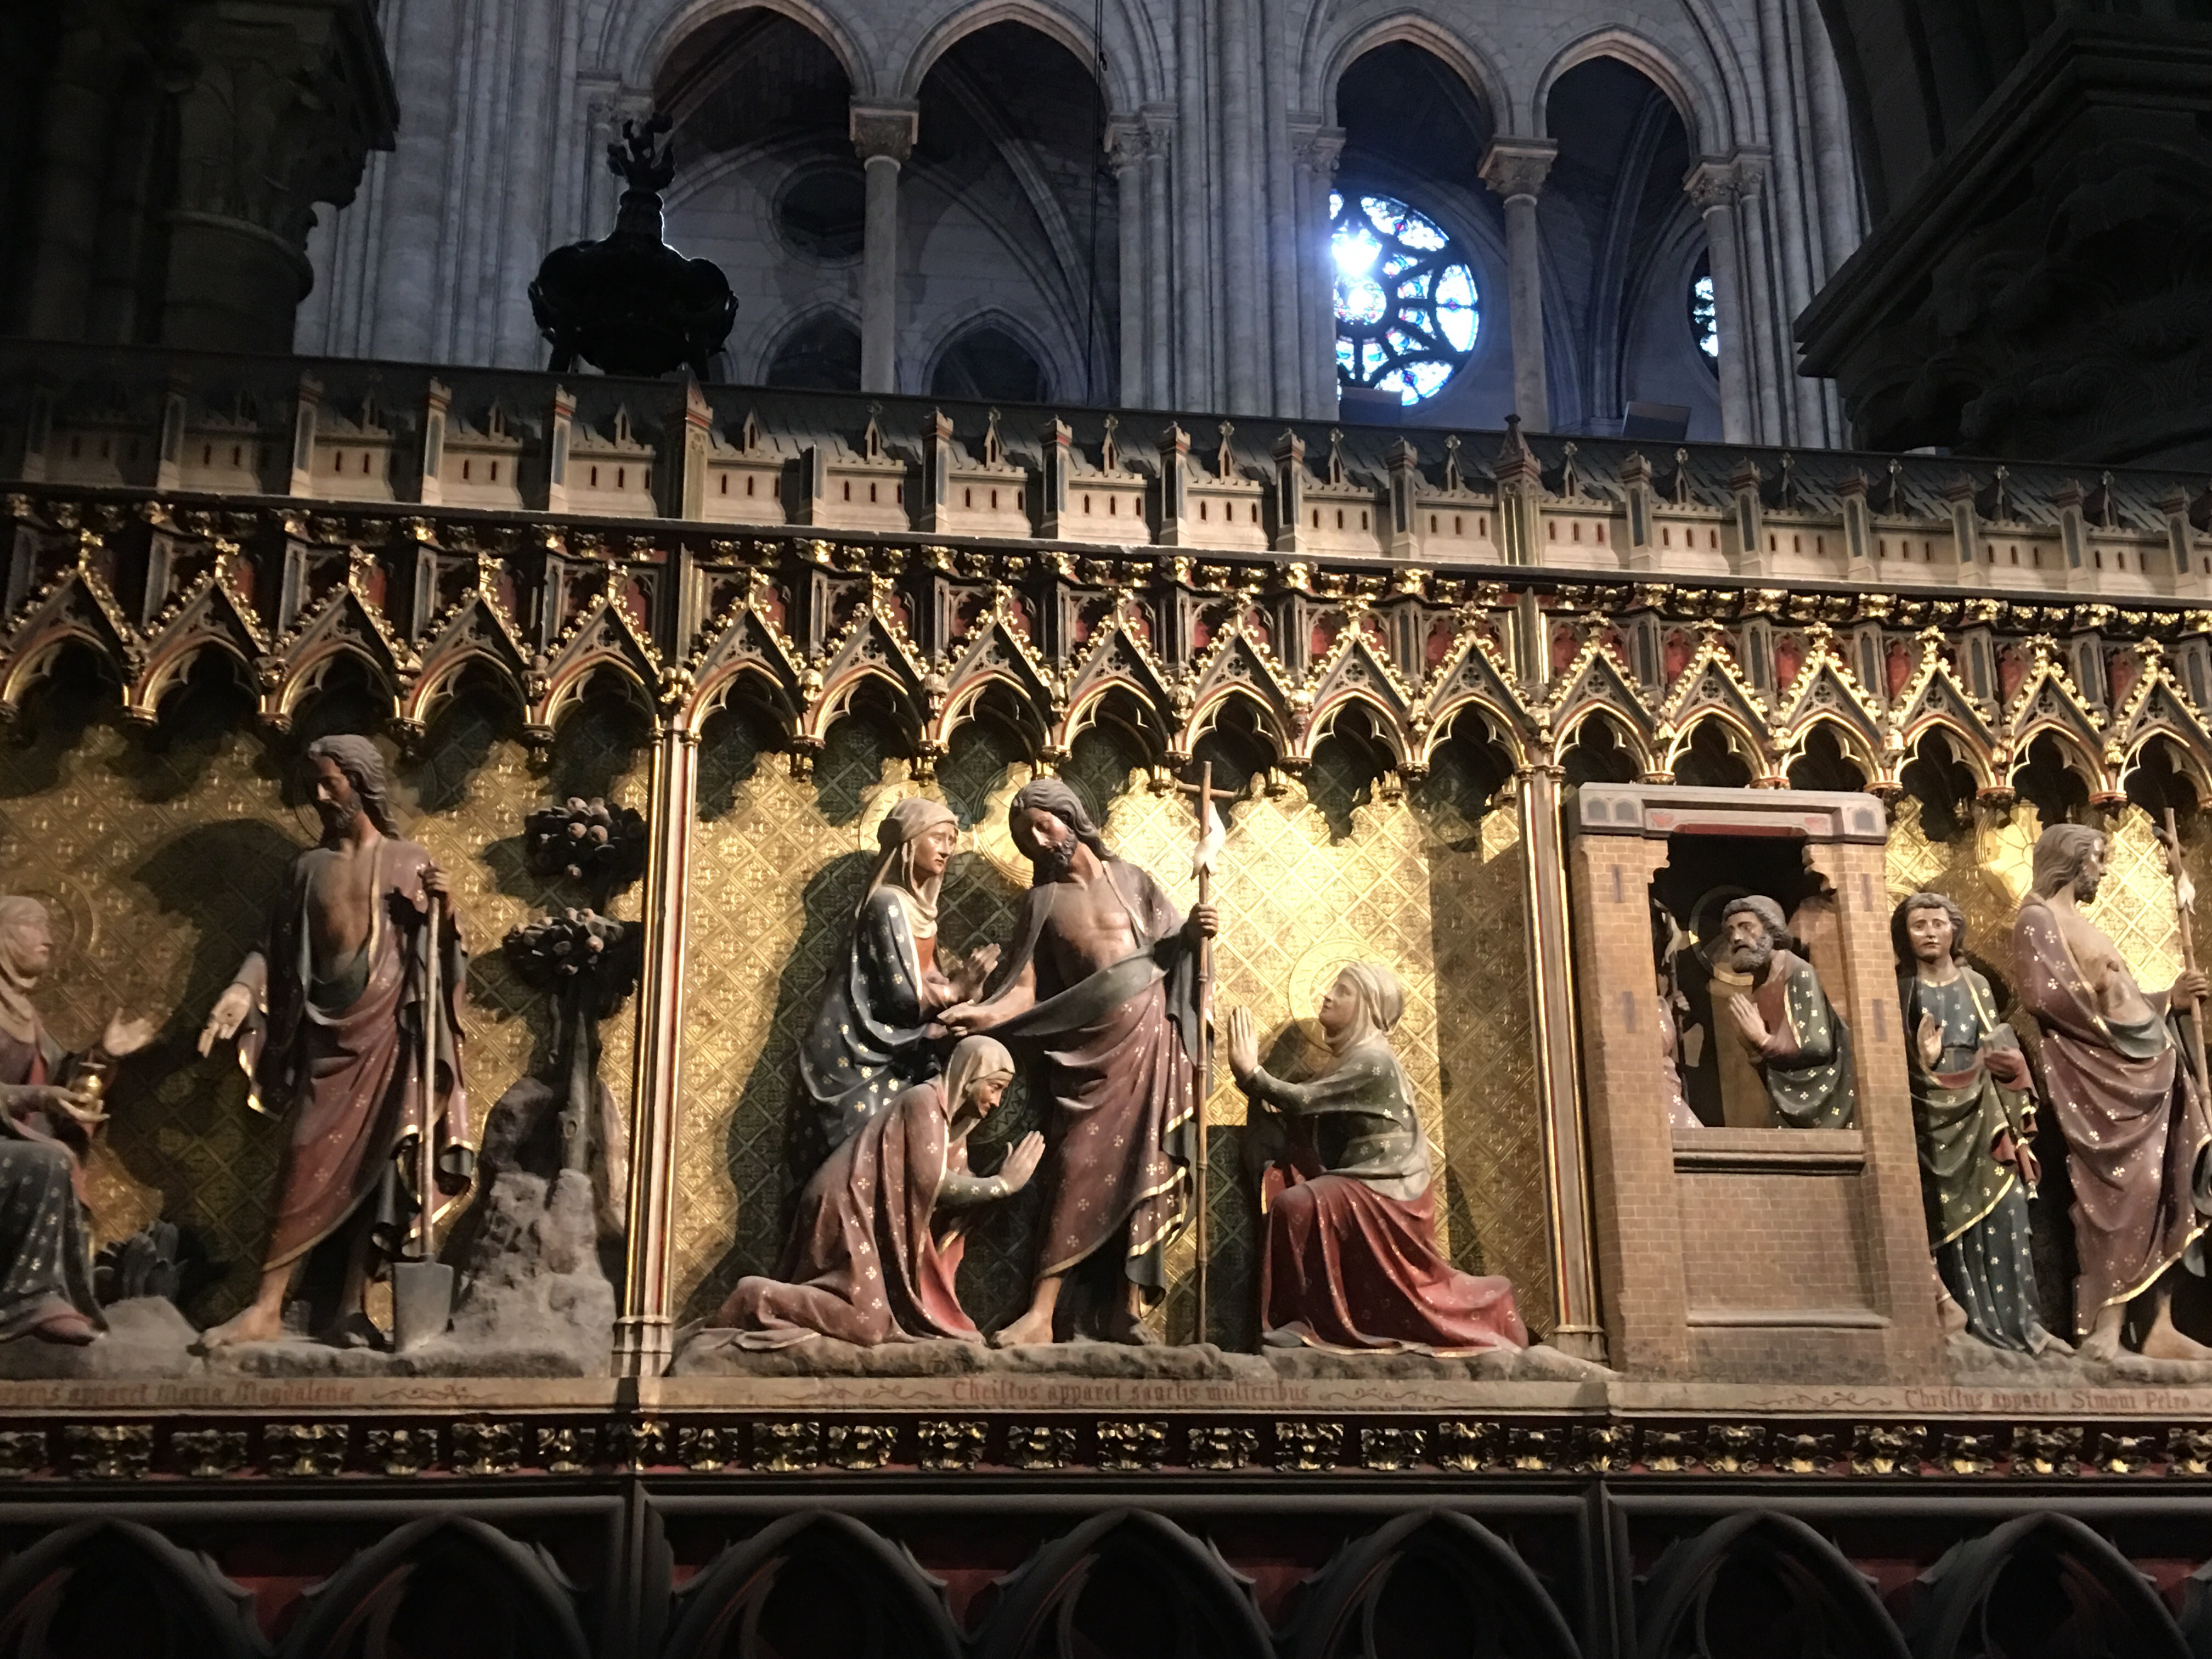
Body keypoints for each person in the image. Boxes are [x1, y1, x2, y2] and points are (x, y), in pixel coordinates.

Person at [197, 735, 471, 1348]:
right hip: (324, 1033)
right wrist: (241, 990)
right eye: (314, 786)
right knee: (302, 1157)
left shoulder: (407, 861)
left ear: (362, 782)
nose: (321, 797)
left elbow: (441, 957)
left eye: (332, 783)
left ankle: (351, 1307)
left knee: (380, 1168)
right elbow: (274, 950)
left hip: (390, 1033)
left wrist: (445, 911)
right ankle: (266, 1306)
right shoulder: (307, 869)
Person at [939, 776, 1215, 1345]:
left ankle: (1127, 1310)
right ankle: (1041, 1315)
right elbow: (1026, 989)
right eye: (1027, 839)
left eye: (1044, 826)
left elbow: (1171, 952)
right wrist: (983, 1015)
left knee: (1147, 1164)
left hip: (1152, 1040)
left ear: (1071, 817)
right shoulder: (1041, 903)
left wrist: (1193, 932)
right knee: (1075, 1166)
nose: (1041, 842)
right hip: (1089, 1054)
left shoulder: (1132, 881)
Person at [1227, 963, 1527, 1355]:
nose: (1328, 995)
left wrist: (1252, 1074)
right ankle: (1314, 1322)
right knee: (1294, 1201)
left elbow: (1303, 1101)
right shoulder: (1346, 1061)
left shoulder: (1373, 1060)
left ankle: (1309, 1323)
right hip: (1362, 1178)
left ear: (1367, 1007)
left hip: (1386, 1183)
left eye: (1343, 991)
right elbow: (1304, 1116)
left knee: (1294, 1205)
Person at [2013, 822, 2211, 1361]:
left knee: (2169, 1187)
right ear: (2071, 860)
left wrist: (2168, 1001)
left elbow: (2122, 995)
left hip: (2148, 1071)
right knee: (2124, 1194)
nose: (2102, 872)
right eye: (2098, 860)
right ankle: (2106, 1327)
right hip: (2104, 1082)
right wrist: (2130, 1026)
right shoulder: (2038, 919)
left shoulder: (2081, 923)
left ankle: (2159, 1328)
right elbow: (2046, 998)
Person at [714, 1035, 1041, 1346]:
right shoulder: (925, 1102)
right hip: (847, 1206)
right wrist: (1001, 1184)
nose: (997, 1102)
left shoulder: (950, 1126)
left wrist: (993, 1183)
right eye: (995, 1088)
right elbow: (935, 1184)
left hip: (865, 1215)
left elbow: (954, 1186)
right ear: (971, 1076)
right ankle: (756, 1297)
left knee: (869, 1320)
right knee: (868, 1323)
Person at [1893, 892, 2067, 1354]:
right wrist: (1924, 1059)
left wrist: (2007, 1059)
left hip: (1985, 1112)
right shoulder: (1901, 990)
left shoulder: (1976, 984)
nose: (1930, 933)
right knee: (1948, 1221)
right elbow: (1889, 1066)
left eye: (1938, 923)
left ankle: (2024, 1325)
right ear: (1905, 936)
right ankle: (1969, 1329)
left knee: (2009, 1212)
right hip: (1932, 1117)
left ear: (1955, 930)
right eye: (1918, 925)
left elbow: (1995, 1043)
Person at [799, 798, 995, 1166]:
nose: (947, 850)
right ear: (908, 843)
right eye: (937, 838)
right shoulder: (887, 903)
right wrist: (955, 990)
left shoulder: (921, 912)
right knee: (864, 1162)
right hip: (858, 1057)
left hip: (900, 1052)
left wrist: (967, 992)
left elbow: (929, 981)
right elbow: (903, 998)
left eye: (952, 841)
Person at [0, 897, 155, 1344]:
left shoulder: (26, 1015)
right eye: (33, 925)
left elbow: (57, 1080)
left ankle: (53, 1296)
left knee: (54, 1159)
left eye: (50, 926)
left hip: (11, 1145)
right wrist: (39, 1098)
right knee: (47, 1163)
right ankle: (31, 1299)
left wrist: (103, 1054)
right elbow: (40, 1093)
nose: (49, 938)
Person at [1717, 895, 1857, 1128]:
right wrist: (1754, 1052)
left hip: (1829, 1093)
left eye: (1746, 927)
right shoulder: (1761, 983)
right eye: (1730, 932)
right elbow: (1774, 1061)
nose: (1737, 938)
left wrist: (1764, 1041)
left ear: (1770, 929)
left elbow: (1818, 1045)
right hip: (1787, 1092)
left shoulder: (1798, 972)